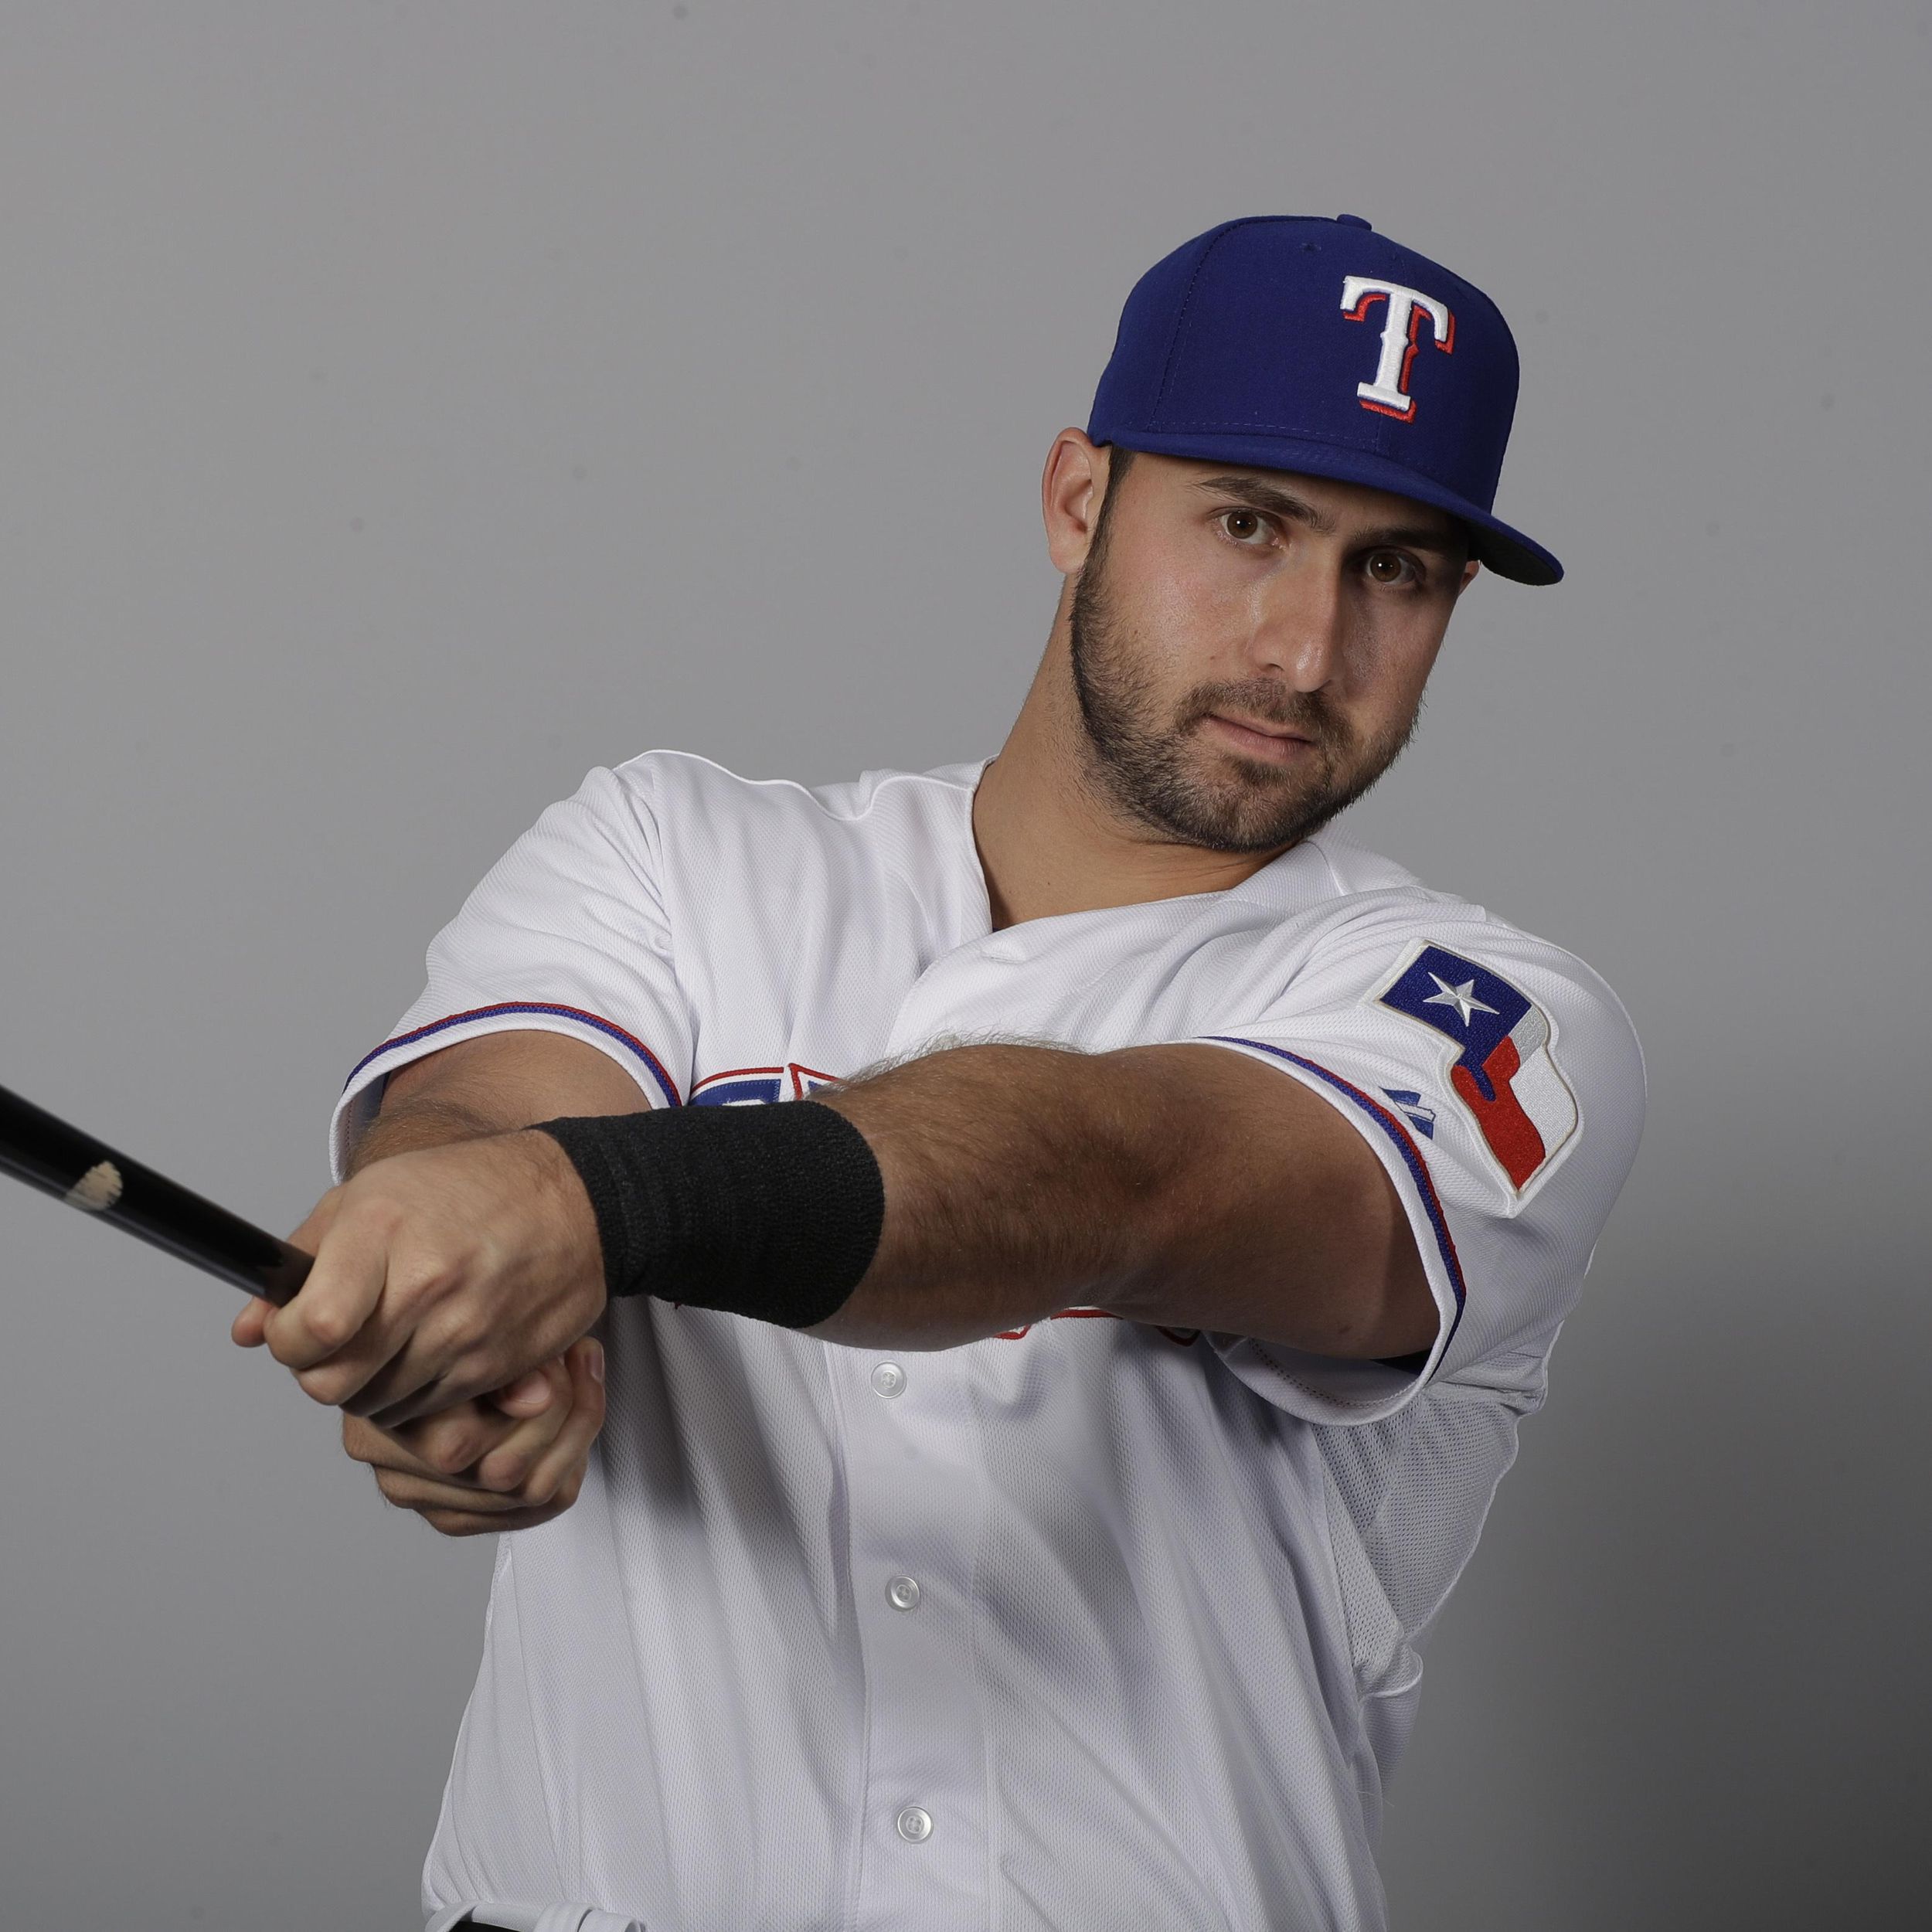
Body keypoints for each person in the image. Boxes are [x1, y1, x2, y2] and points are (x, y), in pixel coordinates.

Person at [233, 213, 1645, 1932]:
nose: (1301, 648)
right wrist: (463, 1304)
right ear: (1076, 499)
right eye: (1246, 524)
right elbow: (472, 1130)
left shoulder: (1484, 1013)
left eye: (1395, 570)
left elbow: (1127, 1181)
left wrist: (568, 1206)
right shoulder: (672, 853)